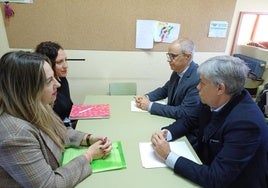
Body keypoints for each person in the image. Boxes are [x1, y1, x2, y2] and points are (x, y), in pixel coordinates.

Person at [151, 55, 268, 188]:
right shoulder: (214, 99)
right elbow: (190, 120)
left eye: (202, 83)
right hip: (206, 165)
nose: (198, 87)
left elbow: (216, 178)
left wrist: (168, 156)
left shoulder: (246, 124)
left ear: (220, 88)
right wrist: (167, 133)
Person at [0, 51, 112, 187]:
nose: (58, 84)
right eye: (49, 81)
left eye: (54, 77)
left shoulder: (38, 106)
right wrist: (89, 156)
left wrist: (88, 138)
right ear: (26, 89)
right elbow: (50, 185)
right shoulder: (15, 136)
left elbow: (60, 131)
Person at [135, 38, 200, 120]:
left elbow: (183, 112)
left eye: (173, 56)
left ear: (187, 56)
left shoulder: (197, 79)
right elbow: (165, 90)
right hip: (171, 120)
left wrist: (150, 106)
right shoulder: (177, 71)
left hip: (185, 126)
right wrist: (146, 97)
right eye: (168, 55)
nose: (168, 60)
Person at [35, 41, 76, 128]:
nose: (66, 66)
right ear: (48, 63)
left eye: (66, 60)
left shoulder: (62, 79)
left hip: (68, 125)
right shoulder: (43, 89)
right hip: (60, 131)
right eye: (60, 62)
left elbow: (69, 107)